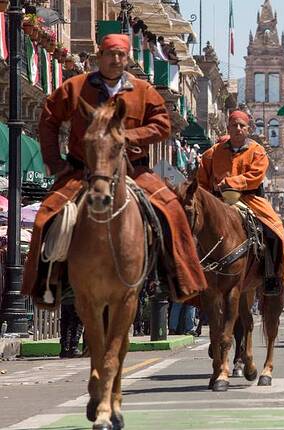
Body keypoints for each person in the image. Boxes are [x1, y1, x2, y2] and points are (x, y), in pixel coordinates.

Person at [22, 34, 207, 306]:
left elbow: (162, 125)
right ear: (100, 57)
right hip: (83, 170)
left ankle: (176, 280)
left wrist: (126, 136)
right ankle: (47, 283)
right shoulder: (75, 87)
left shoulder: (144, 91)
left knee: (173, 211)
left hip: (134, 171)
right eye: (110, 54)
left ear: (127, 59)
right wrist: (55, 161)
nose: (116, 59)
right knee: (47, 215)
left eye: (121, 55)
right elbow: (49, 118)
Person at [197, 110, 284, 296]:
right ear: (228, 127)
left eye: (242, 125)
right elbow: (202, 180)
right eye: (234, 125)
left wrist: (231, 183)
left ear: (248, 129)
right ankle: (187, 276)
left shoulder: (257, 151)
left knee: (275, 230)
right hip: (218, 200)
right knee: (191, 226)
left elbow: (255, 176)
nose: (238, 129)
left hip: (250, 199)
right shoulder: (211, 154)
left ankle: (271, 276)